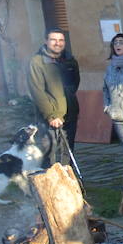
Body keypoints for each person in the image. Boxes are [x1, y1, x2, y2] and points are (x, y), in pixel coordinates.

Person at [27, 28, 80, 161]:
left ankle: (66, 179)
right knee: (49, 152)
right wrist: (52, 115)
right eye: (53, 40)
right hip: (49, 117)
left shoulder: (70, 60)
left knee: (68, 152)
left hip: (70, 113)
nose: (58, 43)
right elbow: (37, 91)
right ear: (46, 41)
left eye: (61, 40)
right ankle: (49, 179)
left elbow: (75, 82)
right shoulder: (37, 62)